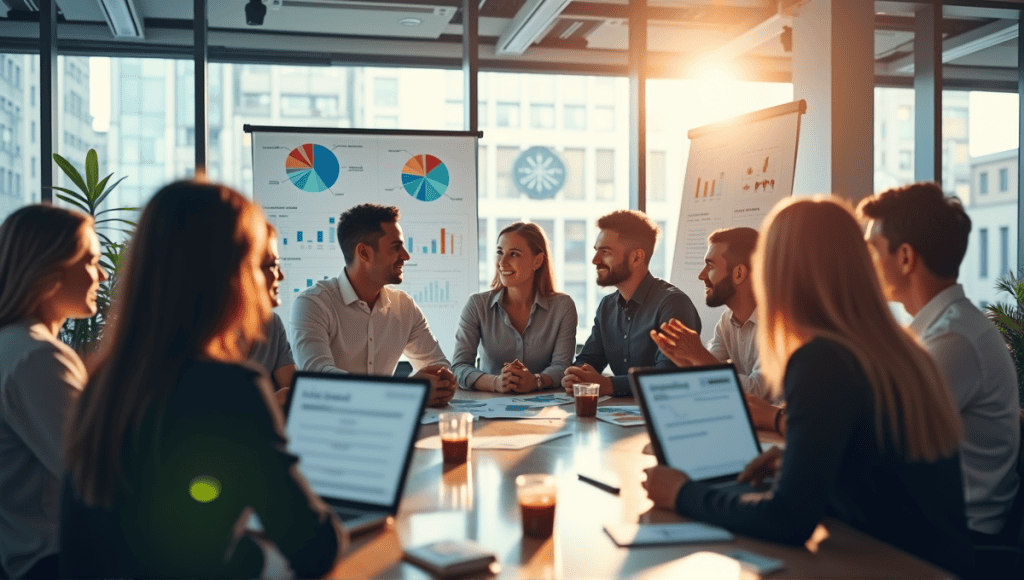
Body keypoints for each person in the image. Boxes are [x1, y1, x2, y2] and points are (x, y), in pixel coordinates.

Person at [642, 197, 975, 579]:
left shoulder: (822, 360)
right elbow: (882, 476)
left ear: (779, 271)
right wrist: (807, 464)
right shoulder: (897, 349)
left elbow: (788, 521)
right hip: (932, 564)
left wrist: (682, 493)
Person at [60, 181, 346, 579]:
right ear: (232, 274)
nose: (273, 277)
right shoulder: (229, 387)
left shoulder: (104, 381)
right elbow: (316, 549)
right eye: (260, 262)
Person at [859, 182, 1020, 545]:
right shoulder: (940, 329)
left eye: (873, 251)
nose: (866, 264)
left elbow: (882, 438)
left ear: (904, 257)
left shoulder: (954, 340)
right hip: (930, 513)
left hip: (955, 537)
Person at [0, 205, 105, 580]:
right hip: (55, 564)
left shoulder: (12, 346)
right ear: (50, 269)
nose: (103, 275)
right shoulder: (38, 357)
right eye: (91, 261)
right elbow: (95, 474)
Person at [291, 203, 455, 407]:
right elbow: (320, 381)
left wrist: (442, 381)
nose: (406, 256)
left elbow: (438, 364)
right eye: (396, 247)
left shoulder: (403, 306)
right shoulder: (312, 305)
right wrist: (407, 392)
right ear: (364, 253)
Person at [562, 210, 700, 397]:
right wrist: (575, 375)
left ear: (636, 257)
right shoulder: (607, 306)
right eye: (596, 251)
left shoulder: (673, 304)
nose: (595, 260)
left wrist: (608, 385)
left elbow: (667, 376)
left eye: (605, 252)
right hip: (620, 415)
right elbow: (589, 359)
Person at [452, 222, 577, 392]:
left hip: (545, 410)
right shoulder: (477, 305)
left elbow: (562, 366)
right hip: (489, 405)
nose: (502, 262)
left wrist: (536, 381)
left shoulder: (563, 307)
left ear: (538, 261)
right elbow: (459, 367)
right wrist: (495, 382)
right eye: (499, 253)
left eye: (514, 254)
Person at [650, 227, 769, 399]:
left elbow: (759, 392)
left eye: (710, 266)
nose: (701, 275)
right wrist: (686, 363)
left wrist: (699, 355)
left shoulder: (779, 323)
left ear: (739, 273)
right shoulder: (726, 321)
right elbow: (708, 375)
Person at [248, 222, 295, 403]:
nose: (281, 276)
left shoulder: (271, 323)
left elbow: (291, 388)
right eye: (271, 265)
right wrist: (270, 402)